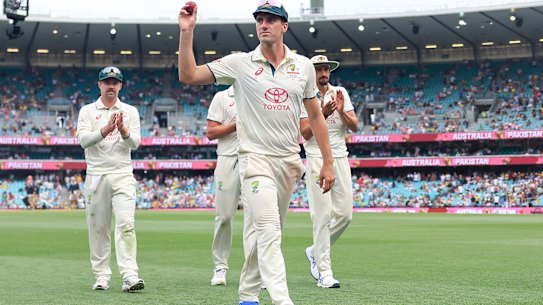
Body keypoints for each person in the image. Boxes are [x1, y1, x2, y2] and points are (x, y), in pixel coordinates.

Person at [178, 1, 336, 304]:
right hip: (254, 160)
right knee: (268, 229)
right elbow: (188, 75)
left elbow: (315, 117)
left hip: (289, 162)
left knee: (266, 232)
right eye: (259, 20)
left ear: (284, 26)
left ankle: (248, 295)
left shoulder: (303, 65)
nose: (264, 24)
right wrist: (187, 32)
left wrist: (327, 163)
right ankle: (281, 299)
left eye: (271, 20)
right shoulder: (240, 63)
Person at [76, 66, 145, 292]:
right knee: (98, 227)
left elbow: (135, 143)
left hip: (123, 174)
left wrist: (123, 130)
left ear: (121, 86)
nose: (111, 86)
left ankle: (130, 275)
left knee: (126, 224)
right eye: (107, 82)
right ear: (99, 85)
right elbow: (83, 141)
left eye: (115, 82)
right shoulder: (87, 111)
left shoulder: (130, 111)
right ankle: (102, 275)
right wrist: (105, 130)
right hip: (96, 175)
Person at [300, 55, 359, 289]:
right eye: (319, 69)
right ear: (311, 73)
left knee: (345, 215)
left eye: (326, 69)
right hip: (316, 158)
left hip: (340, 157)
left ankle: (314, 251)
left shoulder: (340, 91)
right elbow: (305, 133)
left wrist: (343, 111)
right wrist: (322, 114)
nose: (323, 73)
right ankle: (324, 272)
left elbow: (354, 126)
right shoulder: (304, 95)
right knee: (322, 216)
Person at [207, 86, 240, 286]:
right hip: (228, 158)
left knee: (259, 218)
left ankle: (259, 270)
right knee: (225, 217)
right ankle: (220, 266)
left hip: (256, 157)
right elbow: (211, 132)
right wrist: (236, 125)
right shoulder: (222, 97)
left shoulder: (260, 91)